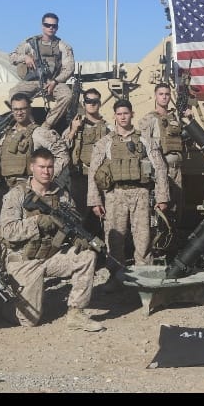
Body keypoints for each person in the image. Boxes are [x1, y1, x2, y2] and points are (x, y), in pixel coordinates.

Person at [0, 148, 104, 332]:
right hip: (23, 260)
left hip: (50, 256)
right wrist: (38, 223)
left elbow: (70, 223)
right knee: (29, 320)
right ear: (32, 167)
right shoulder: (17, 194)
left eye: (50, 167)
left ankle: (76, 313)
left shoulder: (61, 194)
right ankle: (4, 305)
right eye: (41, 167)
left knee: (86, 256)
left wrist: (76, 238)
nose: (46, 171)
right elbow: (7, 231)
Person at [87, 98, 169, 291]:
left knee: (143, 239)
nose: (123, 117)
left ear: (132, 114)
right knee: (114, 239)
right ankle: (116, 277)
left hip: (140, 194)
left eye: (126, 113)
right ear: (114, 116)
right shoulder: (105, 143)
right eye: (119, 114)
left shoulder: (144, 140)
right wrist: (95, 201)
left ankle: (145, 279)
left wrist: (162, 196)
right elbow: (93, 172)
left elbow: (160, 168)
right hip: (115, 195)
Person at [0, 93, 70, 232]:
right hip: (6, 189)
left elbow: (63, 155)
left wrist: (47, 178)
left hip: (29, 192)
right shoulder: (6, 135)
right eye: (16, 109)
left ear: (29, 109)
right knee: (2, 229)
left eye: (23, 108)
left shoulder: (39, 133)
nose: (19, 112)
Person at [8, 12, 75, 130]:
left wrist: (55, 81)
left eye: (53, 26)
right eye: (47, 25)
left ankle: (47, 125)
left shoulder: (63, 46)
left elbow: (69, 67)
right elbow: (12, 57)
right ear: (42, 26)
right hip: (31, 81)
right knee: (14, 94)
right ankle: (27, 123)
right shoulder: (30, 43)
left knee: (67, 95)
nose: (51, 28)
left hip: (52, 82)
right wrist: (25, 58)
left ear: (57, 28)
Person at [62, 87, 111, 226]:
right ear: (84, 104)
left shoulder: (108, 128)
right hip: (80, 180)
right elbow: (61, 148)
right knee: (76, 221)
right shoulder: (75, 125)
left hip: (101, 180)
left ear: (100, 103)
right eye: (88, 101)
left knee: (105, 219)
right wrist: (73, 131)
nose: (92, 104)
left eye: (95, 101)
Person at [137, 83, 185, 223]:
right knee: (159, 206)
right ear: (155, 96)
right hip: (161, 169)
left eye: (167, 94)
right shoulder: (149, 119)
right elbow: (144, 145)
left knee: (176, 207)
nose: (164, 97)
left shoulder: (174, 118)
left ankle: (172, 238)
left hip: (176, 169)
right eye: (161, 94)